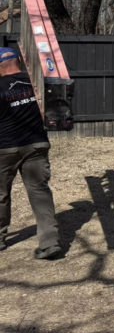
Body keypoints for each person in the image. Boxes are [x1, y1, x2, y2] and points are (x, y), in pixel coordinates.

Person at [0, 47, 61, 259]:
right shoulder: (36, 83)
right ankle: (49, 243)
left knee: (1, 194)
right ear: (18, 60)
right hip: (36, 145)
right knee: (39, 192)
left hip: (5, 148)